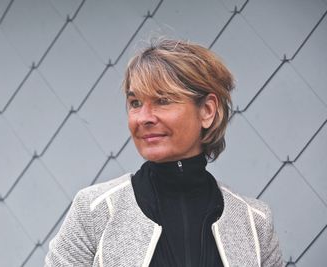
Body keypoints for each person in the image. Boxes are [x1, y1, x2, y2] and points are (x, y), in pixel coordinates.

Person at [45, 39, 283, 267]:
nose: (144, 118)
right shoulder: (95, 210)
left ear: (207, 111)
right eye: (135, 103)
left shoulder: (255, 222)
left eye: (163, 100)